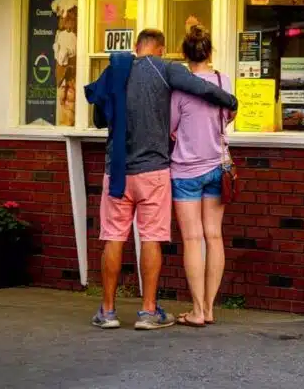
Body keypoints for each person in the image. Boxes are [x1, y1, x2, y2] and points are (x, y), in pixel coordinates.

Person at [84, 28, 238, 331]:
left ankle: (108, 311)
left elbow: (100, 118)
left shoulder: (115, 69)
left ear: (137, 47)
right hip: (154, 171)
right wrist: (230, 100)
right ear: (160, 48)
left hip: (117, 172)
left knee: (114, 237)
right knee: (152, 237)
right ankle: (148, 312)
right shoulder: (166, 69)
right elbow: (200, 87)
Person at [169, 25, 234, 328]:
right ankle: (209, 308)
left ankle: (196, 310)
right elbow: (229, 116)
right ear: (209, 52)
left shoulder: (180, 88)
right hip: (217, 168)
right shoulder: (223, 81)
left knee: (193, 239)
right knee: (215, 236)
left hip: (185, 170)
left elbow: (171, 125)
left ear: (185, 55)